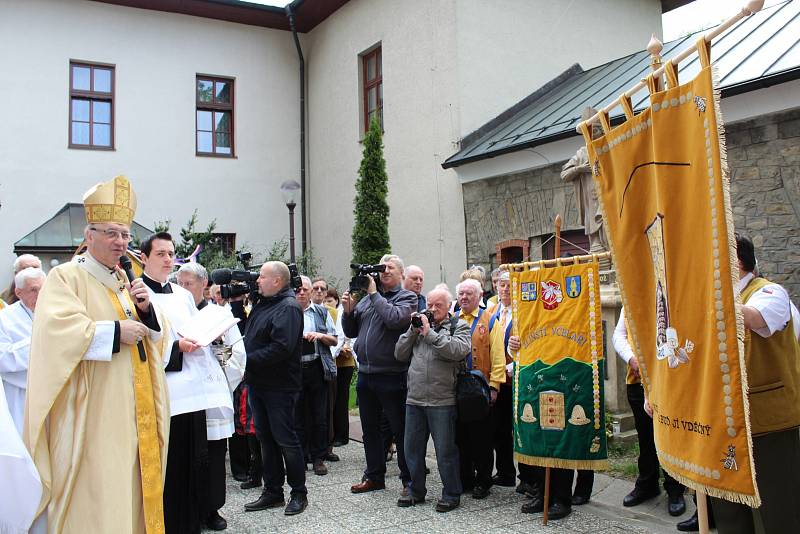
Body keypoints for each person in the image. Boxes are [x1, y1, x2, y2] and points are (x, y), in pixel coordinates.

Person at [25, 175, 169, 532]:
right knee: (101, 486)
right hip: (95, 409)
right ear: (88, 236)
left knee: (132, 483)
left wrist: (147, 310)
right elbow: (55, 333)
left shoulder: (123, 280)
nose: (120, 242)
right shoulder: (66, 277)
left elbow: (155, 336)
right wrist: (117, 332)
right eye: (111, 233)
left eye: (124, 234)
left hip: (137, 408)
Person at [140, 233, 234, 534]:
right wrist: (176, 348)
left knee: (196, 460)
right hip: (164, 392)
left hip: (195, 391)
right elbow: (142, 344)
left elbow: (195, 327)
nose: (168, 259)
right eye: (161, 254)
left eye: (171, 254)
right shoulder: (138, 294)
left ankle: (193, 521)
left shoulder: (181, 295)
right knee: (172, 463)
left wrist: (212, 332)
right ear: (144, 257)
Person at [710, 234, 800, 534]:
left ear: (735, 263)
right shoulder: (711, 300)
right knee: (729, 514)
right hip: (724, 425)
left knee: (777, 513)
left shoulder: (771, 292)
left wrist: (709, 291)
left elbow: (753, 318)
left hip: (768, 424)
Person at [176, 262, 246, 531]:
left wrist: (218, 348)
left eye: (188, 284)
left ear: (204, 285)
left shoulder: (219, 315)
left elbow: (237, 355)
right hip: (183, 397)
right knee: (187, 455)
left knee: (214, 457)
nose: (183, 289)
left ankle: (212, 508)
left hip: (212, 394)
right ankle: (188, 508)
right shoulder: (173, 312)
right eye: (179, 284)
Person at [342, 254, 417, 495]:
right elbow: (352, 331)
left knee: (400, 429)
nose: (384, 271)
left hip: (392, 375)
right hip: (366, 374)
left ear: (401, 274)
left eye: (390, 268)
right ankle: (374, 476)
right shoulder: (366, 300)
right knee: (370, 429)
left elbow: (394, 320)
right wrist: (348, 312)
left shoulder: (407, 297)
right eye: (381, 268)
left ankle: (409, 481)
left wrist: (374, 294)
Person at [395, 287, 471, 512]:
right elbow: (399, 353)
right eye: (429, 304)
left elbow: (458, 350)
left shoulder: (459, 326)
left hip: (442, 400)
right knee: (412, 449)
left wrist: (430, 334)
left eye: (438, 305)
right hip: (415, 399)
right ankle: (416, 490)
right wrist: (412, 330)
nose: (432, 309)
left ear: (449, 306)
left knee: (445, 451)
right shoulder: (417, 327)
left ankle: (451, 493)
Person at [242, 261, 308, 516]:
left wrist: (247, 359)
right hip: (259, 383)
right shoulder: (264, 304)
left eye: (261, 277)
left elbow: (282, 347)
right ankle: (273, 492)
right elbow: (250, 335)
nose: (257, 281)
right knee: (266, 440)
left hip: (280, 387)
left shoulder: (289, 307)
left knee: (286, 440)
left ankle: (299, 493)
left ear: (277, 281)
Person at [613, 307, 686, 516]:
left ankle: (675, 489)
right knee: (645, 437)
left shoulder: (666, 295)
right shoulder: (629, 299)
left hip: (666, 380)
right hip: (637, 380)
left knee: (669, 436)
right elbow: (619, 335)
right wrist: (631, 358)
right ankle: (647, 483)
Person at [454, 278, 505, 499]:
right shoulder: (452, 320)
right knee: (460, 436)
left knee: (482, 437)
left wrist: (494, 386)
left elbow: (498, 357)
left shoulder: (491, 320)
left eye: (469, 294)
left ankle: (483, 480)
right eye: (461, 294)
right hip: (456, 389)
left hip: (480, 389)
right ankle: (465, 478)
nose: (464, 298)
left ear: (479, 296)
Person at [295, 276, 338, 476]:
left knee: (319, 415)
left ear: (311, 292)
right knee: (298, 415)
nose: (302, 293)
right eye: (298, 290)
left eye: (305, 289)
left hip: (316, 366)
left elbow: (334, 340)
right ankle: (301, 458)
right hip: (295, 369)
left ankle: (319, 458)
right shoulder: (289, 312)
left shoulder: (321, 313)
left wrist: (319, 336)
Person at [0, 267, 45, 434]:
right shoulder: (4, 319)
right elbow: (3, 358)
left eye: (43, 289)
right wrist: (42, 341)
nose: (40, 294)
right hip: (20, 396)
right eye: (33, 290)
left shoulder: (57, 314)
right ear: (18, 293)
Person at [490, 271, 516, 488]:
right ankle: (505, 471)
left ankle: (527, 478)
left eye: (509, 286)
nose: (505, 290)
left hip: (516, 379)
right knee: (499, 428)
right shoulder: (491, 311)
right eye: (502, 285)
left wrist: (513, 365)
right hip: (498, 380)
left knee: (520, 428)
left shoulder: (524, 313)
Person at [331, 287, 356, 447]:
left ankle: (342, 434)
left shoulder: (340, 314)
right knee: (334, 400)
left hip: (345, 362)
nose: (328, 302)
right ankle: (335, 433)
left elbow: (347, 336)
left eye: (331, 299)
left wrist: (343, 348)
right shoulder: (329, 314)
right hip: (334, 362)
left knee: (341, 399)